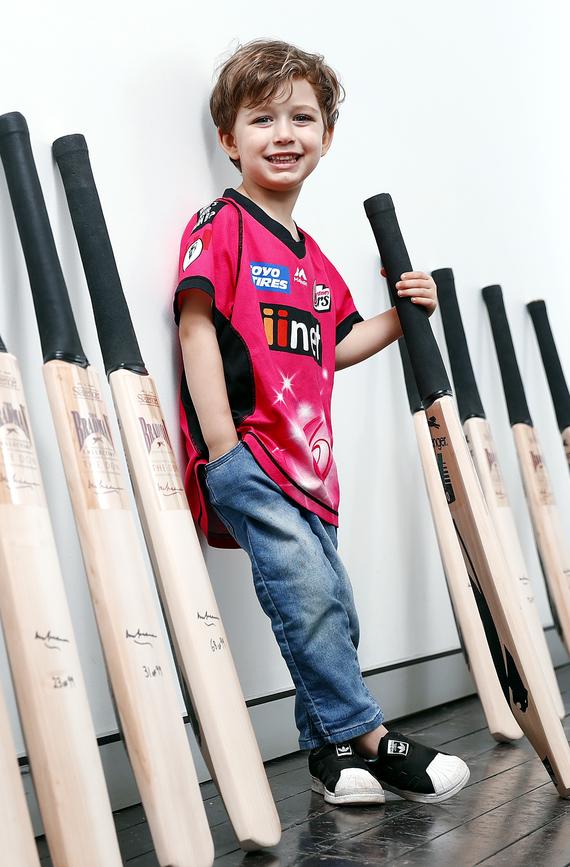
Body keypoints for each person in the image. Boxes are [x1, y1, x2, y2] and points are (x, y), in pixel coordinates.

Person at [173, 38, 470, 806]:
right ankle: (374, 735)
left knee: (330, 607)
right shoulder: (223, 223)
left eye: (302, 118)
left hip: (312, 469)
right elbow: (197, 324)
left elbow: (335, 345)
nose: (283, 134)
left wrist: (403, 316)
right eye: (262, 118)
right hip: (250, 457)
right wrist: (221, 447)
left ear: (326, 137)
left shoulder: (312, 258)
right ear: (229, 139)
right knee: (306, 594)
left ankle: (333, 760)